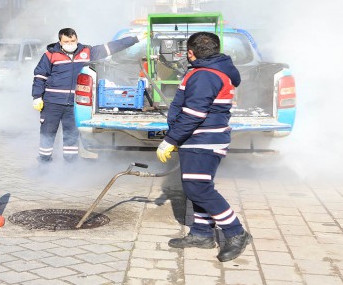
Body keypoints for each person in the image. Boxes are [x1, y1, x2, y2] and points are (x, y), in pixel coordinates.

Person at [156, 31, 251, 262]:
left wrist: (170, 140)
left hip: (203, 140)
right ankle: (201, 233)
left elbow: (193, 114)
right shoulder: (211, 71)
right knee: (194, 186)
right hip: (200, 139)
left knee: (199, 188)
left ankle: (236, 232)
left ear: (190, 52)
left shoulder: (205, 75)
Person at [32, 27, 144, 164]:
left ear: (77, 39)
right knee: (47, 134)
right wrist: (37, 97)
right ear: (60, 41)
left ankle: (70, 165)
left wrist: (135, 39)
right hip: (52, 103)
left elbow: (112, 47)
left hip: (74, 104)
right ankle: (44, 164)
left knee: (71, 137)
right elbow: (39, 76)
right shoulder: (50, 55)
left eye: (72, 40)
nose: (70, 43)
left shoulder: (87, 51)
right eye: (66, 41)